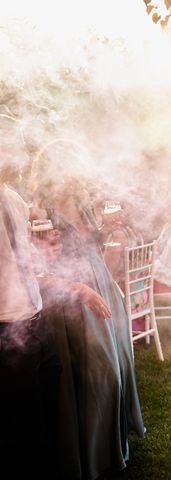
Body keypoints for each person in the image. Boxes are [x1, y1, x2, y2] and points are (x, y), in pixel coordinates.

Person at [35, 180, 145, 479]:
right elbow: (37, 263)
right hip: (70, 301)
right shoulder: (41, 209)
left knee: (118, 366)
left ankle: (112, 445)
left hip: (100, 283)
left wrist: (107, 227)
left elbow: (97, 240)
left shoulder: (82, 201)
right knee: (98, 374)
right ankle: (89, 454)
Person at [0, 176, 61, 479]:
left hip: (38, 318)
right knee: (23, 424)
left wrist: (44, 250)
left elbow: (23, 255)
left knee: (50, 410)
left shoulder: (13, 198)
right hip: (7, 328)